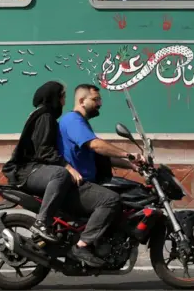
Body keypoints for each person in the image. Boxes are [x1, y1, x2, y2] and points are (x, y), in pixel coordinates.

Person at [59, 84, 145, 267]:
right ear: (82, 101)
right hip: (76, 186)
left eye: (100, 100)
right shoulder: (73, 120)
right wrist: (127, 154)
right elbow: (96, 145)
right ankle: (82, 246)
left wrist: (132, 164)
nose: (100, 104)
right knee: (111, 200)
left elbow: (99, 155)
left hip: (86, 183)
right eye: (96, 100)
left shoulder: (81, 122)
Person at [1, 81, 82, 243]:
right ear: (54, 98)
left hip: (33, 168)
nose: (64, 101)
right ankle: (42, 221)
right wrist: (68, 167)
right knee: (60, 174)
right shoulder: (45, 117)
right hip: (27, 170)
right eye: (63, 97)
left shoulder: (43, 115)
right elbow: (43, 150)